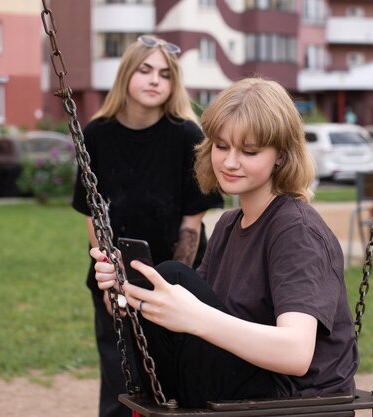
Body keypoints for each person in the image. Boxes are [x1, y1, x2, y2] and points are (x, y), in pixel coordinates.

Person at [91, 77, 359, 409]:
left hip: (295, 402)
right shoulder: (229, 224)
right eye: (221, 146)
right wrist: (126, 292)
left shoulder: (297, 231)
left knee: (175, 277)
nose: (230, 162)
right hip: (246, 384)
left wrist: (194, 315)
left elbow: (296, 353)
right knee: (161, 282)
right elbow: (190, 329)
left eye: (249, 151)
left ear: (280, 156)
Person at [71, 35, 223, 417]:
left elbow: (193, 220)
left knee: (173, 381)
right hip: (114, 274)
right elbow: (95, 216)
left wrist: (173, 285)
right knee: (121, 383)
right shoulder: (96, 134)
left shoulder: (187, 135)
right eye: (145, 70)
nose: (155, 80)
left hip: (174, 276)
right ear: (127, 74)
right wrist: (111, 276)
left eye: (165, 74)